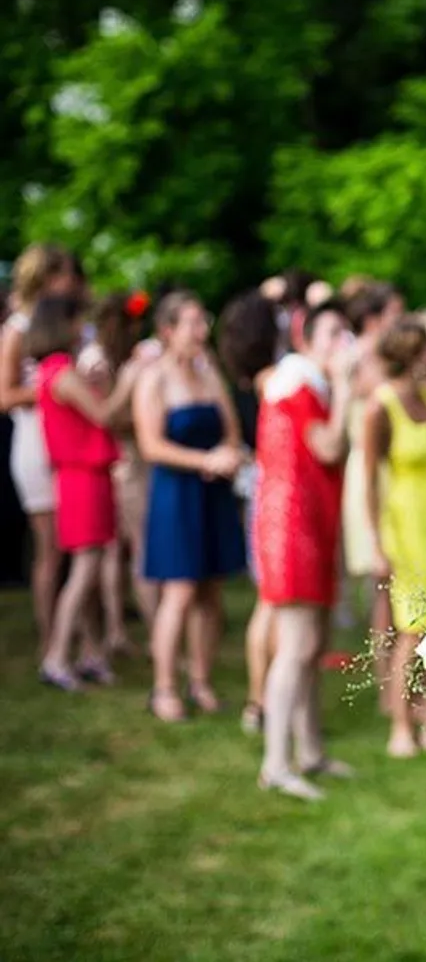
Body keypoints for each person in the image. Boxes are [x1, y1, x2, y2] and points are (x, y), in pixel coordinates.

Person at [255, 300, 356, 800]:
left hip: (308, 522)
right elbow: (329, 447)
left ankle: (310, 750)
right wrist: (345, 389)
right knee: (295, 645)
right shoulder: (299, 385)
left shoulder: (300, 383)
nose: (344, 344)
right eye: (334, 333)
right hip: (292, 526)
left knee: (312, 644)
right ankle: (276, 762)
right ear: (307, 341)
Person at [136, 292, 248, 723]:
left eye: (204, 322)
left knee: (210, 591)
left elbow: (232, 430)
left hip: (213, 491)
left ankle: (200, 680)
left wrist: (228, 453)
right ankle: (164, 687)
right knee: (179, 592)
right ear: (168, 331)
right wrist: (205, 460)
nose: (203, 332)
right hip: (177, 493)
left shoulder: (209, 374)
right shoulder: (154, 379)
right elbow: (150, 444)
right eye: (193, 324)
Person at [364, 316, 426, 760]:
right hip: (406, 523)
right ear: (414, 353)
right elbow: (368, 479)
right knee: (412, 629)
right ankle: (400, 725)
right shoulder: (380, 406)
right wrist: (375, 542)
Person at [31, 296, 145, 689]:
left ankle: (88, 653)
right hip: (83, 478)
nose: (85, 326)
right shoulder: (61, 372)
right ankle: (58, 656)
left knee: (88, 569)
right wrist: (127, 382)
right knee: (84, 571)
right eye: (78, 319)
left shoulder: (55, 371)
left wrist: (97, 385)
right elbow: (104, 415)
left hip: (81, 477)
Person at [1, 243, 78, 658]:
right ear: (45, 278)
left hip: (68, 440)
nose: (71, 282)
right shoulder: (18, 328)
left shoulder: (63, 323)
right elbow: (3, 394)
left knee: (77, 545)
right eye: (63, 274)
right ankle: (50, 637)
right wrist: (50, 389)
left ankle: (78, 635)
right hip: (35, 442)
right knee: (49, 548)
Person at [218, 292, 285, 734]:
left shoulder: (240, 382)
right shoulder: (275, 382)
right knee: (274, 602)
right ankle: (265, 697)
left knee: (269, 601)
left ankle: (260, 699)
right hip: (277, 493)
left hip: (261, 490)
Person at [79, 290, 156, 655]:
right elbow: (108, 417)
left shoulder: (113, 358)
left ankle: (116, 630)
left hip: (121, 461)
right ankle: (147, 631)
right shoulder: (101, 361)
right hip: (122, 463)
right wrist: (147, 418)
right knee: (132, 550)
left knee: (118, 552)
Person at [342, 282, 404, 712]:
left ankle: (403, 679)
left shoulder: (387, 359)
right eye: (394, 313)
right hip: (369, 472)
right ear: (374, 318)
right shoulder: (361, 359)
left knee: (401, 585)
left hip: (395, 473)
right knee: (383, 586)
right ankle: (387, 683)